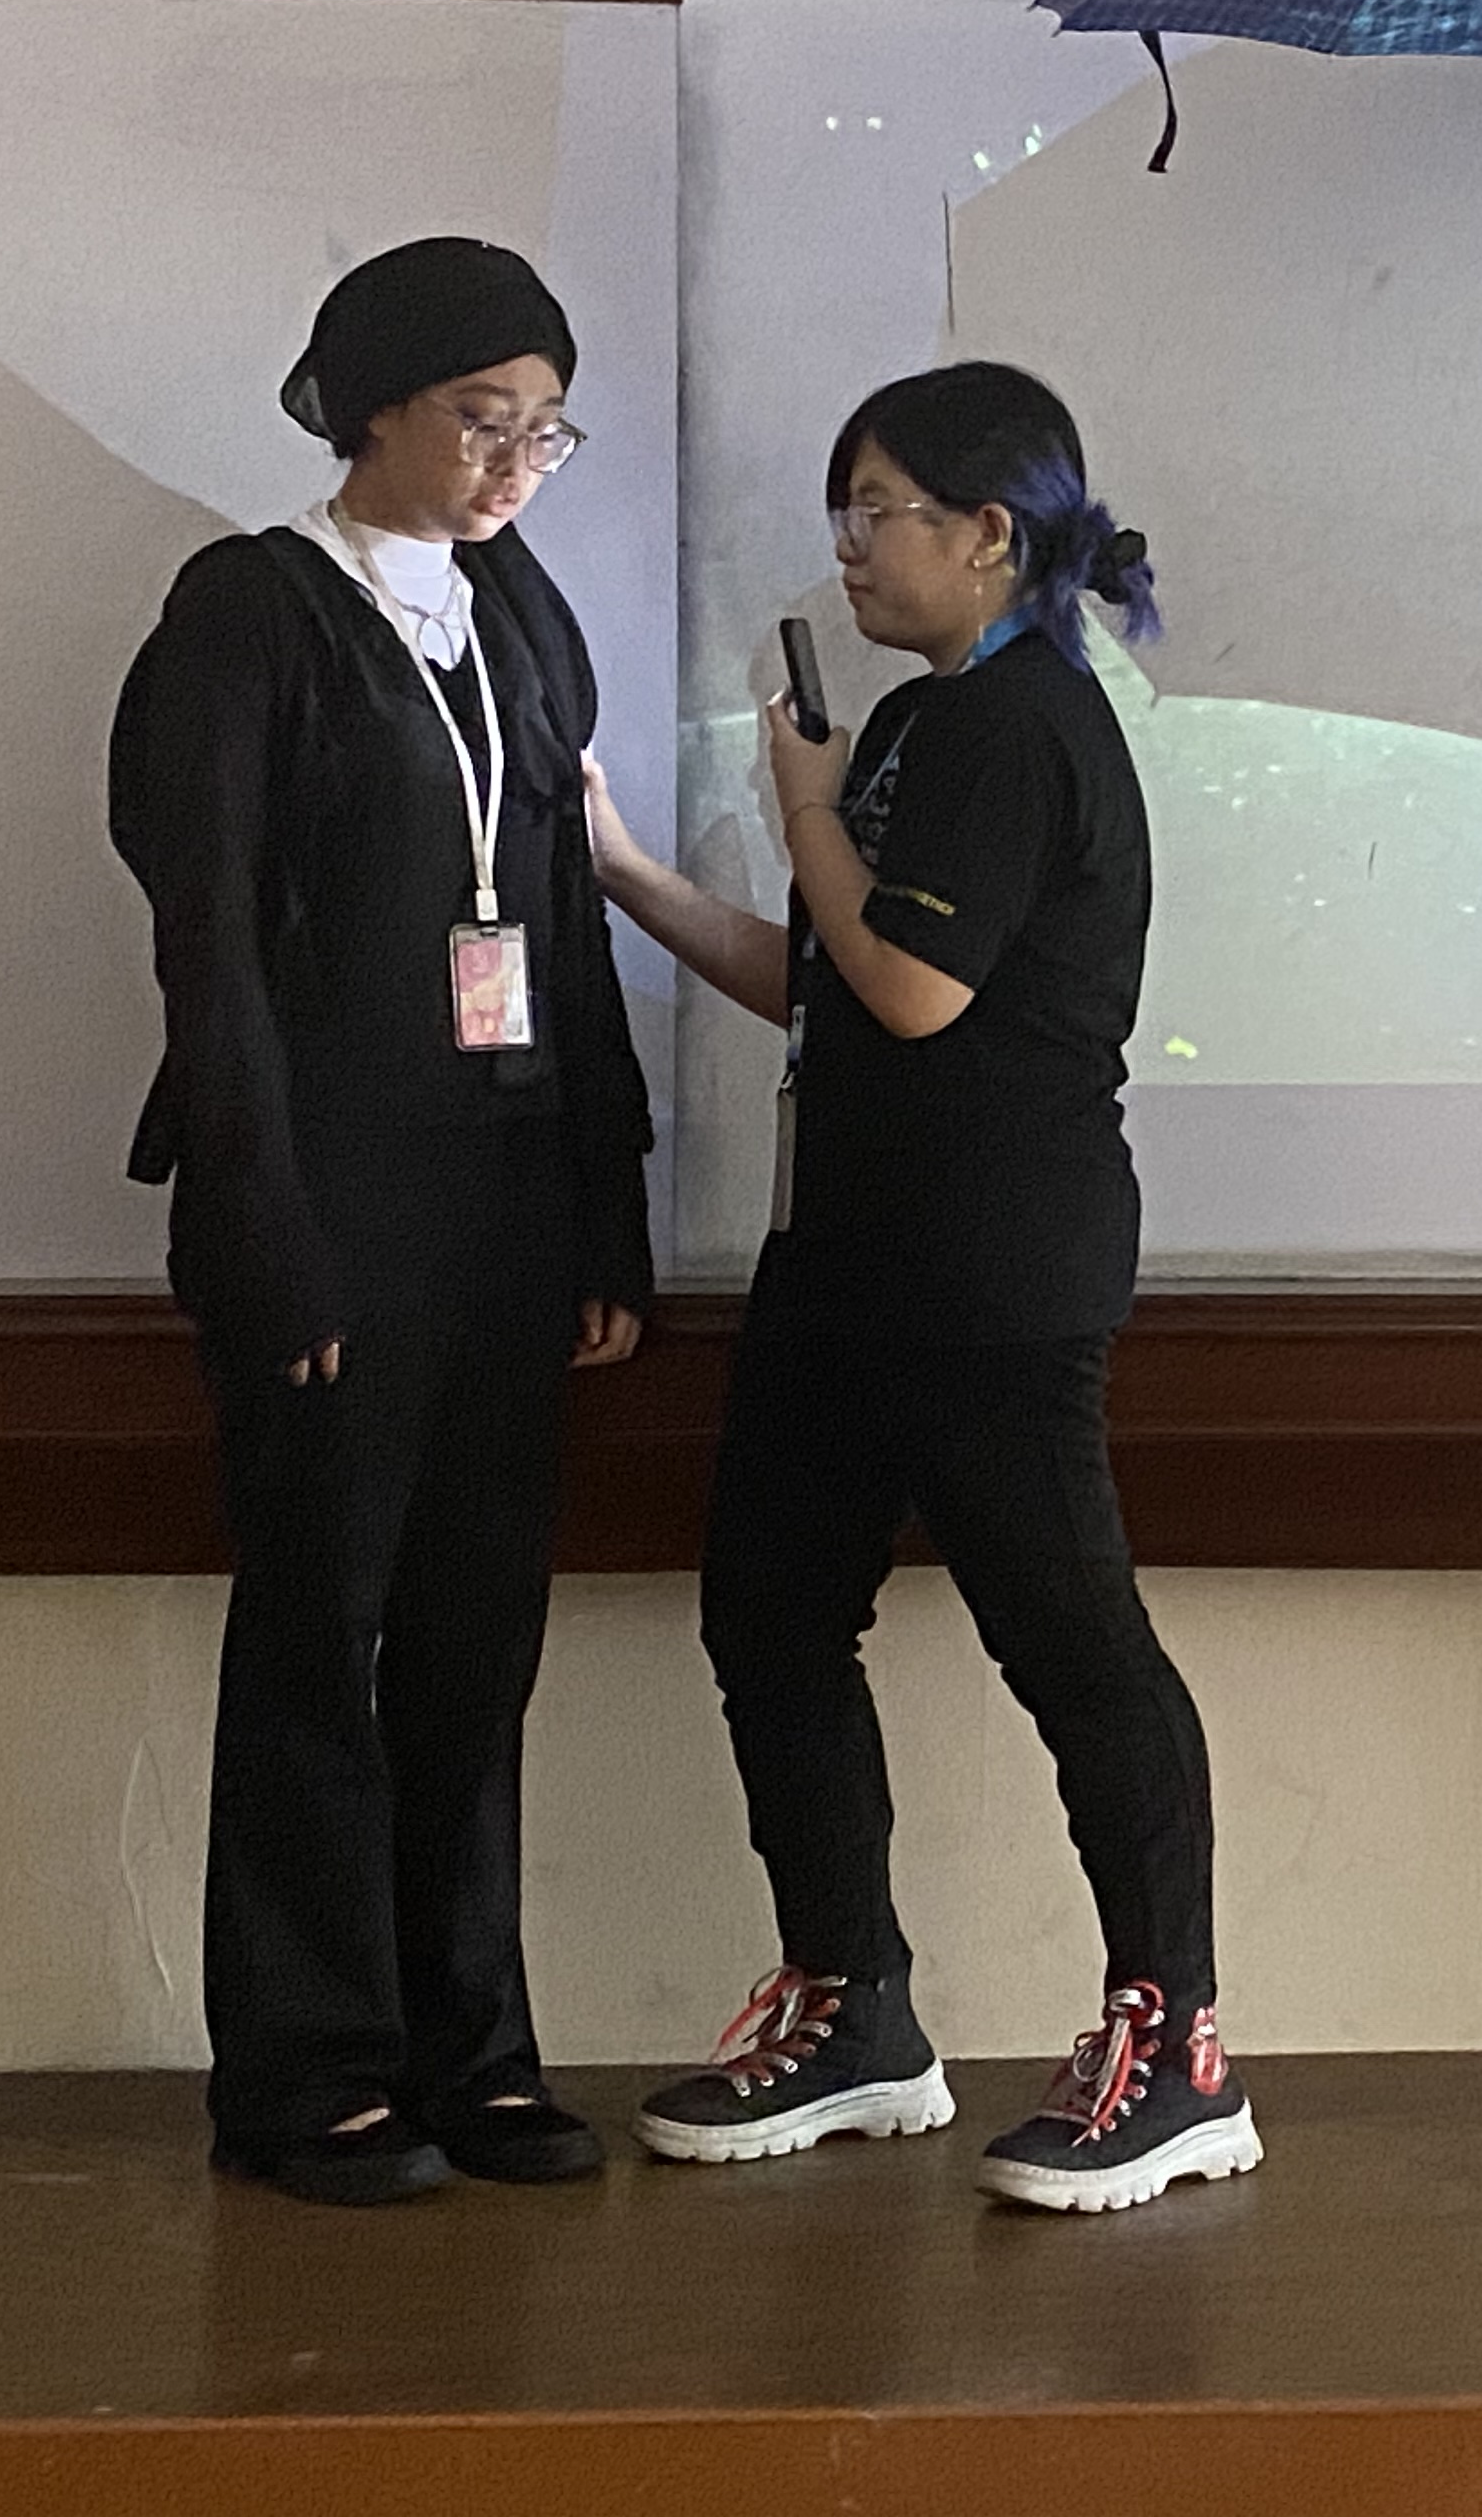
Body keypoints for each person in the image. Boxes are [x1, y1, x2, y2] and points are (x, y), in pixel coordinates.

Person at [585, 362, 1257, 2214]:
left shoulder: (1019, 725)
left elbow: (915, 989)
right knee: (769, 1617)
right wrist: (626, 872)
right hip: (846, 1263)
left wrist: (801, 804)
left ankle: (1176, 2052)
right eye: (847, 512)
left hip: (990, 1273)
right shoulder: (918, 722)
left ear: (991, 534)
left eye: (878, 511)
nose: (852, 549)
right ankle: (854, 2010)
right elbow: (824, 979)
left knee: (1074, 1647)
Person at [108, 237, 655, 2205]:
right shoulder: (251, 610)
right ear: (371, 410)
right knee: (318, 1638)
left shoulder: (522, 615)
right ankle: (307, 2071)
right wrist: (268, 1237)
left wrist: (605, 1216)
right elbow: (211, 945)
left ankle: (470, 2051)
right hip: (330, 1208)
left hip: (503, 1206)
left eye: (547, 428)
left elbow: (561, 923)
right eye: (481, 418)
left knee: (472, 1646)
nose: (516, 461)